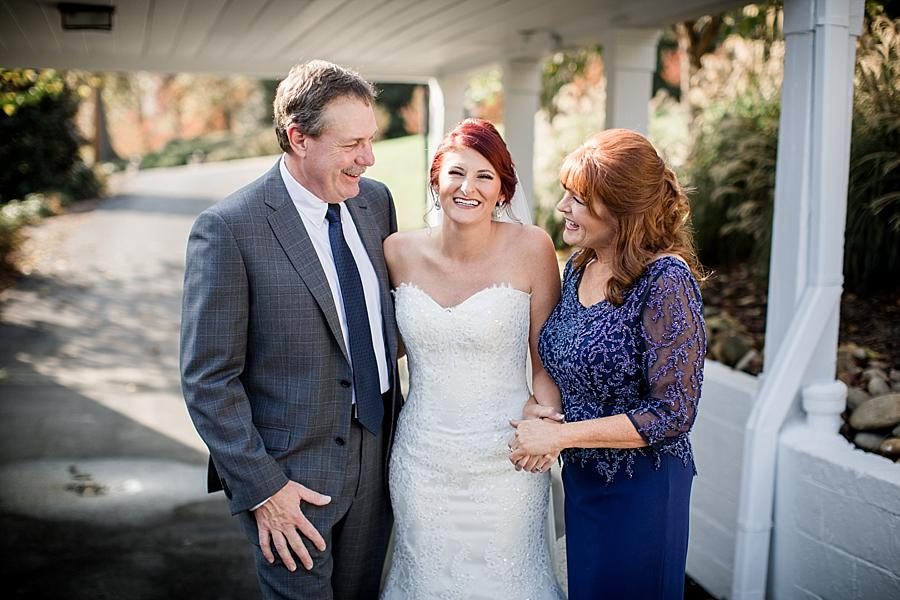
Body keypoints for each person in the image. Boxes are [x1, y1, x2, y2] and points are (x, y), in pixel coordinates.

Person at [180, 60, 401, 600]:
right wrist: (262, 490)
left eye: (370, 140)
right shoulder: (229, 228)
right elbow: (209, 379)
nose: (367, 158)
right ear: (299, 138)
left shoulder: (375, 202)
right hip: (291, 480)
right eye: (352, 144)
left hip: (379, 458)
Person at [509, 128, 707, 600]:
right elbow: (562, 362)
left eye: (578, 199)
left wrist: (561, 436)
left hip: (642, 490)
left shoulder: (666, 281)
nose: (562, 208)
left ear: (620, 209)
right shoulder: (579, 264)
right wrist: (545, 410)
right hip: (582, 483)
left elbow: (674, 413)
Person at [379, 118, 564, 599]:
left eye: (485, 176)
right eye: (457, 173)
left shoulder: (533, 247)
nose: (469, 188)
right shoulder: (397, 252)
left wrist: (543, 421)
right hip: (423, 462)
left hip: (508, 460)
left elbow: (546, 360)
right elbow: (383, 345)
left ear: (503, 190)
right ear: (436, 178)